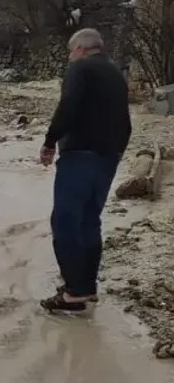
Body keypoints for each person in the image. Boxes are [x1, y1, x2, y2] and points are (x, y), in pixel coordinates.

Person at [39, 28, 131, 312]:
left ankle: (74, 291)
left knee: (65, 221)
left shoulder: (80, 69)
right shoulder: (115, 73)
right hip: (109, 156)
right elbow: (125, 121)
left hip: (80, 153)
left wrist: (49, 141)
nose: (69, 57)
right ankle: (86, 287)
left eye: (71, 51)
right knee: (90, 221)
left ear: (80, 48)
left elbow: (68, 106)